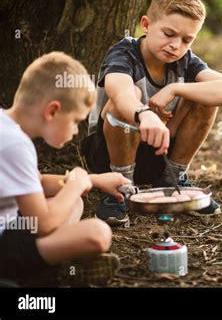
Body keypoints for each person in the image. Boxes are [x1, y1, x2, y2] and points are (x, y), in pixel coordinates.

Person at [82, 0, 222, 226]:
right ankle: (120, 188)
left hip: (160, 152)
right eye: (169, 34)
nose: (176, 46)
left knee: (204, 96)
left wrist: (175, 88)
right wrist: (144, 114)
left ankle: (172, 178)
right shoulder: (125, 53)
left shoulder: (185, 60)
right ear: (146, 24)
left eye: (187, 40)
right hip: (109, 156)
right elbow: (121, 94)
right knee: (128, 99)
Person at [0, 52, 130, 284]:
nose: (76, 131)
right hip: (4, 245)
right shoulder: (16, 145)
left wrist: (94, 180)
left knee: (75, 201)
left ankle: (50, 262)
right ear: (52, 111)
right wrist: (75, 182)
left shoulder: (6, 128)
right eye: (76, 121)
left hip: (10, 225)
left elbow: (36, 183)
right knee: (97, 233)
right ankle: (33, 273)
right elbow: (44, 224)